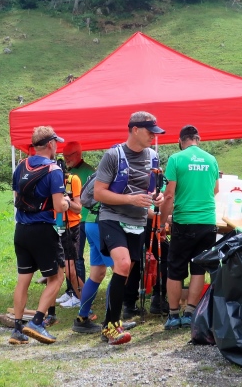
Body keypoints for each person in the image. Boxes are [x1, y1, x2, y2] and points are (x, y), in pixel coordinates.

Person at [94, 111, 165, 345]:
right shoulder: (113, 155)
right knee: (123, 264)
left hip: (138, 221)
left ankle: (109, 324)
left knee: (124, 272)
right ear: (135, 129)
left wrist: (157, 198)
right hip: (112, 217)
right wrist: (131, 199)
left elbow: (152, 191)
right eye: (150, 132)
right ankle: (113, 325)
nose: (153, 137)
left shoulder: (153, 157)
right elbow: (99, 193)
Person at [10, 126, 69, 345]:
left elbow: (17, 196)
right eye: (56, 144)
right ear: (51, 144)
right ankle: (37, 322)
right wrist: (68, 201)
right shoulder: (54, 170)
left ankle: (17, 330)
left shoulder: (21, 166)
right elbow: (59, 206)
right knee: (57, 277)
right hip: (43, 230)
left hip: (21, 230)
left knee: (23, 280)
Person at [159, 125, 219, 330]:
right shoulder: (211, 159)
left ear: (180, 141)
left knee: (175, 269)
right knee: (198, 269)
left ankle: (174, 315)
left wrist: (162, 222)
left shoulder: (176, 159)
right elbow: (215, 189)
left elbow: (168, 195)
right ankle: (190, 314)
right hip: (208, 221)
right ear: (198, 139)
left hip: (184, 221)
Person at [56, 141, 94, 307]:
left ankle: (78, 295)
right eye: (64, 156)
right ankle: (70, 290)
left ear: (78, 154)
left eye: (69, 156)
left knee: (76, 258)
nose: (66, 159)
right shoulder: (67, 172)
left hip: (83, 220)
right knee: (68, 258)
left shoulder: (89, 172)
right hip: (68, 220)